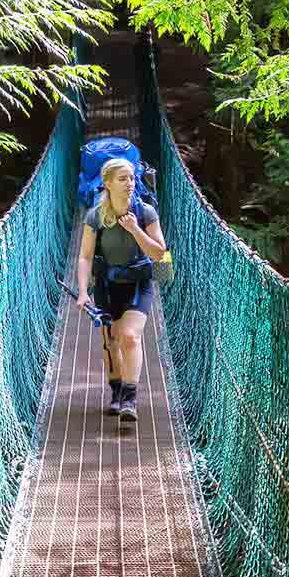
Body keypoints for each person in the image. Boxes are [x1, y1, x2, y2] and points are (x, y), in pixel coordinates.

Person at [75, 157, 167, 421]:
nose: (130, 184)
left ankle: (129, 399)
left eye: (132, 178)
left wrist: (134, 229)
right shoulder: (95, 216)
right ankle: (116, 392)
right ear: (107, 183)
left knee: (129, 337)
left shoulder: (145, 212)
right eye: (122, 179)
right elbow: (85, 257)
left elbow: (159, 253)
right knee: (110, 342)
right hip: (106, 286)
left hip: (139, 284)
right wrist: (83, 292)